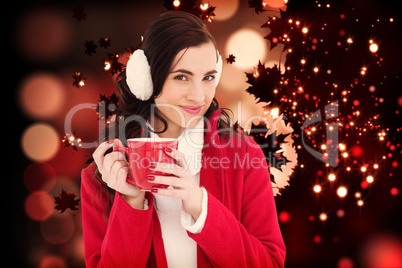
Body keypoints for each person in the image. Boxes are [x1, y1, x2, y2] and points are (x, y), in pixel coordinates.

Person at [81, 10, 285, 268]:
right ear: (146, 79)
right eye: (181, 77)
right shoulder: (101, 176)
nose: (199, 96)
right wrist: (131, 203)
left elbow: (271, 264)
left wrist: (201, 206)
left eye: (208, 77)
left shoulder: (245, 155)